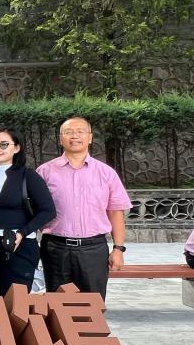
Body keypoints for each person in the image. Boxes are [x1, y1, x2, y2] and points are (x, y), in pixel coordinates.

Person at [37, 117, 131, 300]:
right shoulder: (44, 172)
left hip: (93, 249)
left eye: (80, 131)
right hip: (55, 249)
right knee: (57, 305)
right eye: (68, 132)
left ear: (90, 137)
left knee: (92, 305)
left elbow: (115, 212)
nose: (75, 136)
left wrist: (118, 249)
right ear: (60, 139)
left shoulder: (106, 173)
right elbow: (33, 209)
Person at [0, 127, 56, 298]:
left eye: (4, 144)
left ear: (17, 148)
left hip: (20, 247)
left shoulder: (28, 176)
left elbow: (48, 211)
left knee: (15, 302)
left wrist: (23, 232)